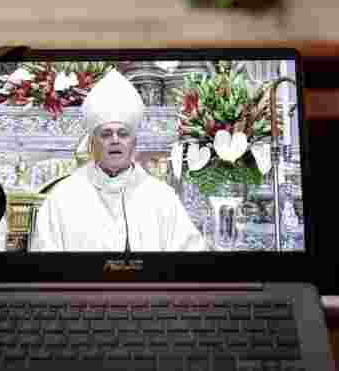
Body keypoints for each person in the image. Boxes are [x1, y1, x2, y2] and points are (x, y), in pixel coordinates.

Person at [30, 70, 207, 252]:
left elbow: (190, 258)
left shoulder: (161, 197)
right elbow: (45, 265)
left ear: (134, 142)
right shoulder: (63, 197)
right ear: (93, 143)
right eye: (106, 134)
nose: (115, 140)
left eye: (123, 133)